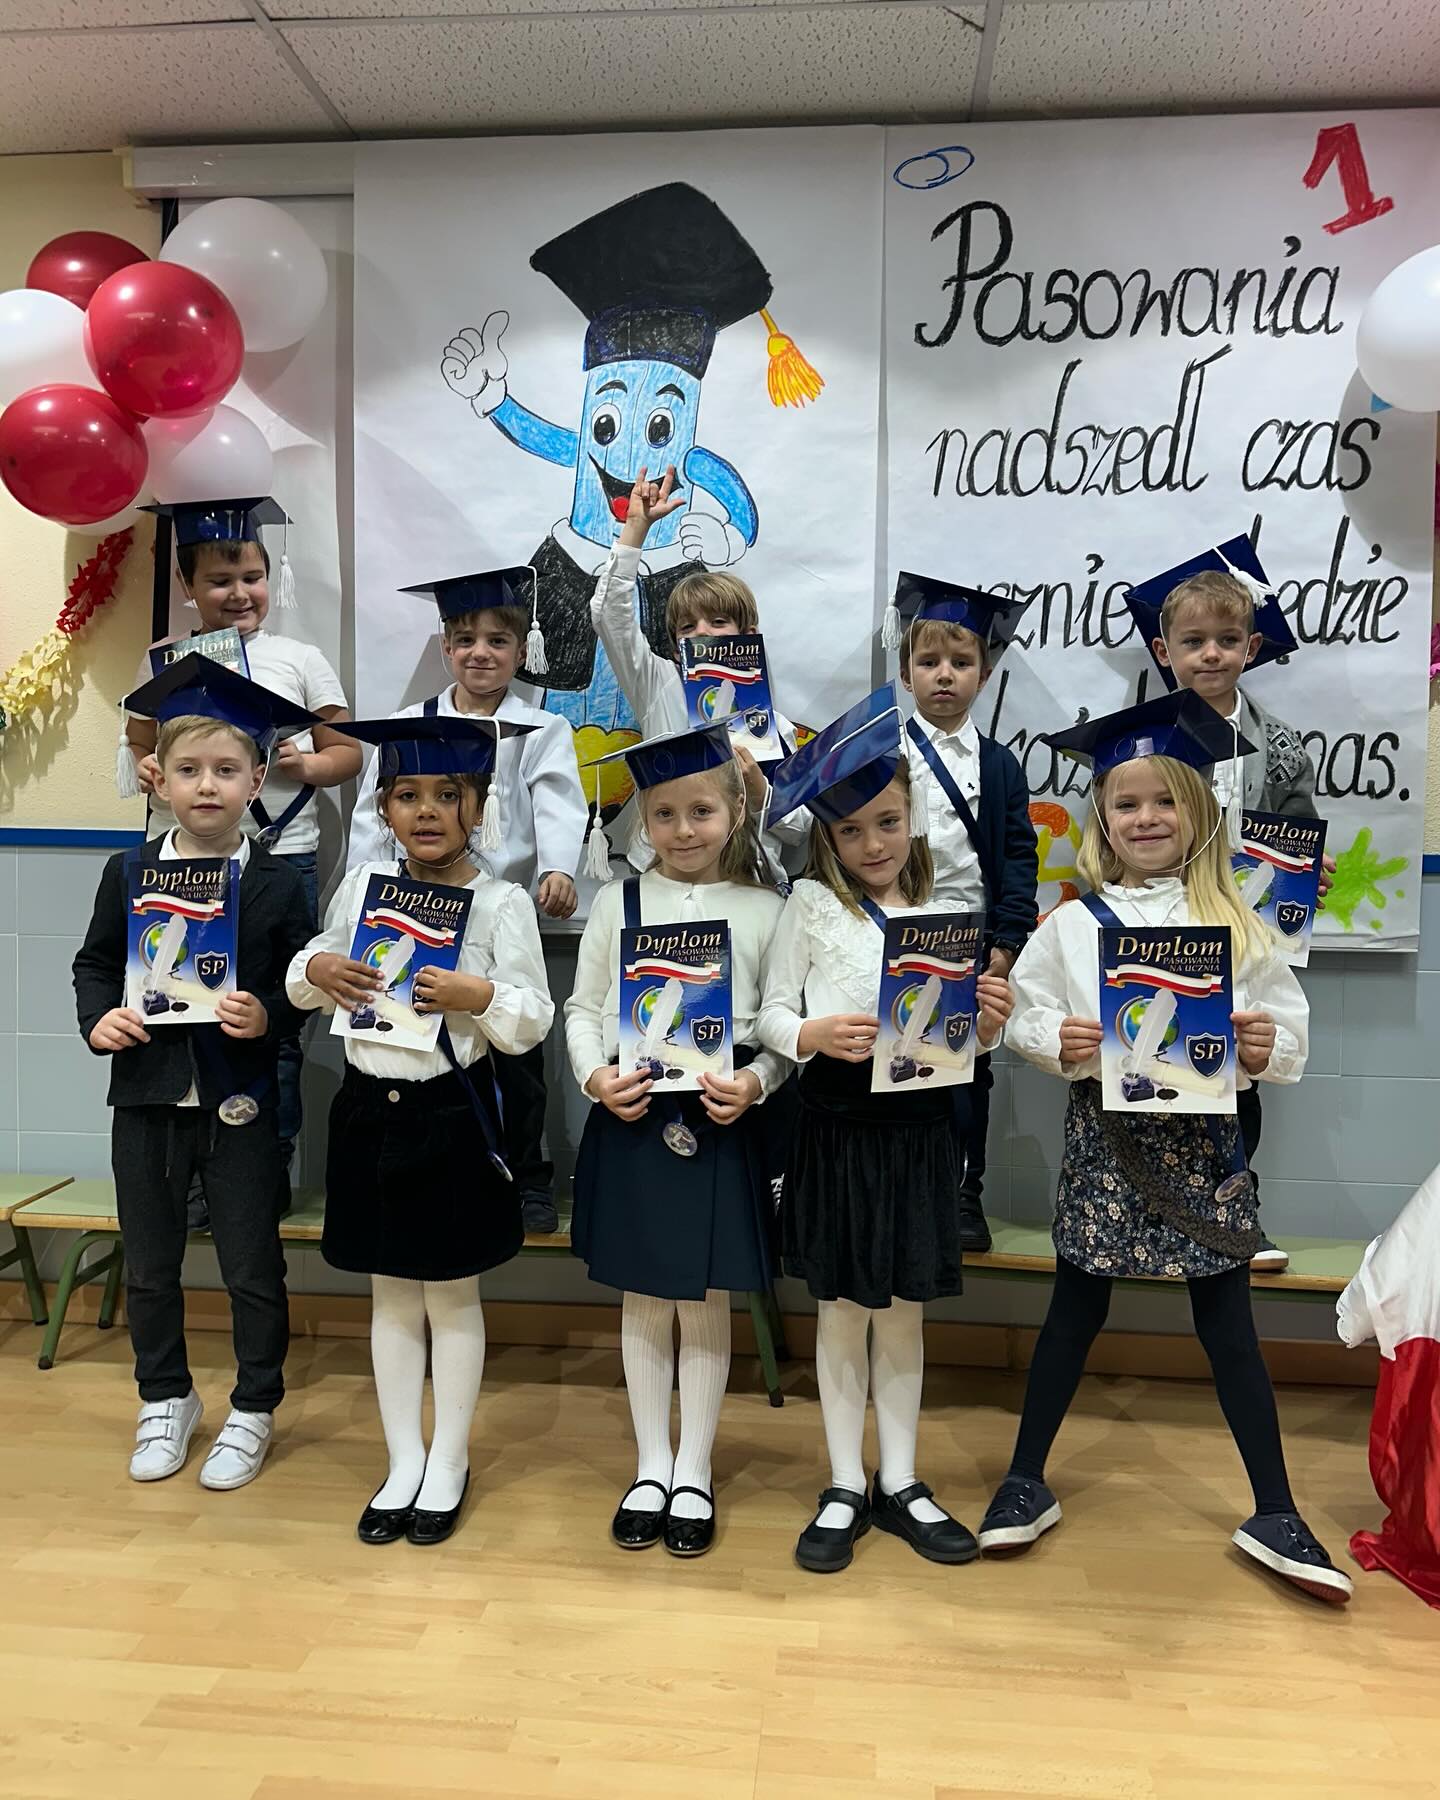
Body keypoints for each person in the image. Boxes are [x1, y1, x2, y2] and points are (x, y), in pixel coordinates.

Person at [977, 688, 1352, 1605]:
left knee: (1229, 1328)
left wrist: (1264, 1049)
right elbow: (1022, 1016)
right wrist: (1056, 1040)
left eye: (1163, 801)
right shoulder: (1073, 926)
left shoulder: (1239, 923)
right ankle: (1025, 1479)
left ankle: (1275, 1509)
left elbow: (1289, 1033)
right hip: (1107, 1146)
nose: (1145, 818)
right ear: (1103, 820)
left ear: (1198, 810)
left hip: (1205, 1153)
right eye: (1126, 803)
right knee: (1073, 1313)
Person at [757, 686, 1013, 1574]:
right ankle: (842, 1482)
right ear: (828, 839)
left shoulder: (945, 914)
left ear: (913, 820)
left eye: (888, 823)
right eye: (852, 830)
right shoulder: (807, 906)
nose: (873, 844)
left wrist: (990, 1023)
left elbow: (967, 1040)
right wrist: (811, 1035)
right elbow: (768, 1018)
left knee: (902, 1312)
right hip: (836, 1129)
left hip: (919, 1134)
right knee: (840, 1312)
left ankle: (900, 1480)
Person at [287, 713, 554, 1547]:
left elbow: (534, 1018)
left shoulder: (501, 902)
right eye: (408, 796)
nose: (428, 810)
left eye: (449, 794)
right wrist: (318, 969)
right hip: (369, 1114)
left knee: (452, 1294)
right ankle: (403, 1458)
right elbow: (303, 975)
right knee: (391, 1295)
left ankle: (450, 1459)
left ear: (480, 806)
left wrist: (482, 997)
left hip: (452, 1115)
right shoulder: (363, 888)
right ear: (385, 808)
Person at [75, 655, 319, 1490]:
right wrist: (98, 1021)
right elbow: (95, 965)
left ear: (256, 780)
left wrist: (271, 1014)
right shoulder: (128, 873)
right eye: (188, 770)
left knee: (251, 1265)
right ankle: (165, 1396)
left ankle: (254, 1405)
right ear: (160, 778)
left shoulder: (278, 883)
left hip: (239, 1096)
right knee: (149, 1264)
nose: (206, 786)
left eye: (224, 770)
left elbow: (303, 981)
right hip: (146, 1098)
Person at [565, 721, 789, 1558]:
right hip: (632, 1116)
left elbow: (780, 1027)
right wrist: (595, 1077)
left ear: (735, 813)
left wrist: (758, 1081)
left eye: (701, 811)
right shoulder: (617, 905)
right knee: (644, 1295)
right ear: (644, 821)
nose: (683, 830)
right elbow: (581, 1010)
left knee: (704, 1300)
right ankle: (649, 1465)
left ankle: (694, 1468)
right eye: (664, 814)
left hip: (720, 1120)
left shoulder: (768, 909)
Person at [121, 498, 361, 1175]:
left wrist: (307, 765)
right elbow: (137, 741)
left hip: (280, 860)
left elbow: (347, 753)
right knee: (185, 1009)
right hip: (186, 867)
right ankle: (197, 1166)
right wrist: (145, 766)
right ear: (186, 583)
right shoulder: (163, 659)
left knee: (272, 1016)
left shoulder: (300, 658)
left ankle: (266, 1163)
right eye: (219, 581)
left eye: (252, 578)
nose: (238, 594)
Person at [346, 567, 588, 1237]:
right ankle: (437, 1166)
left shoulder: (540, 727)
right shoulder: (408, 725)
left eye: (498, 641)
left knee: (516, 1056)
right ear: (446, 646)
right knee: (424, 1038)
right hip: (412, 907)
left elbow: (558, 801)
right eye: (465, 640)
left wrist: (559, 868)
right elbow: (370, 819)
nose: (481, 653)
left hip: (494, 911)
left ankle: (529, 1176)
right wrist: (363, 894)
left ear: (522, 650)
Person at [1125, 535, 1334, 1275]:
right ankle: (1147, 1216)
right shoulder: (1142, 740)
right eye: (1193, 642)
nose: (1210, 654)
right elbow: (1118, 827)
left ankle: (1238, 1215)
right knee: (1158, 1063)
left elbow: (1297, 830)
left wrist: (1310, 869)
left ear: (1252, 646)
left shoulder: (1279, 744)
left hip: (1243, 934)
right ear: (1165, 651)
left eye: (1225, 640)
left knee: (1236, 1073)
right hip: (1160, 928)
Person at [889, 572, 1039, 1255]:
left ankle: (962, 1194)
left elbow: (1019, 857)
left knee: (966, 1078)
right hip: (896, 935)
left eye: (960, 662)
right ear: (906, 672)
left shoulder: (1000, 766)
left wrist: (1004, 948)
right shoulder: (885, 754)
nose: (944, 675)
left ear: (984, 673)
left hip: (970, 942)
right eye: (928, 662)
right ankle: (903, 1192)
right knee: (896, 1070)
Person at [587, 465, 811, 876]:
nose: (703, 633)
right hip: (662, 873)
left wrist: (760, 791)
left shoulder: (774, 727)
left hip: (746, 883)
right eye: (688, 627)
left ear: (748, 635)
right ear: (676, 647)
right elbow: (608, 617)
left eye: (718, 622)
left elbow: (800, 830)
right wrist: (635, 528)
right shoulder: (658, 684)